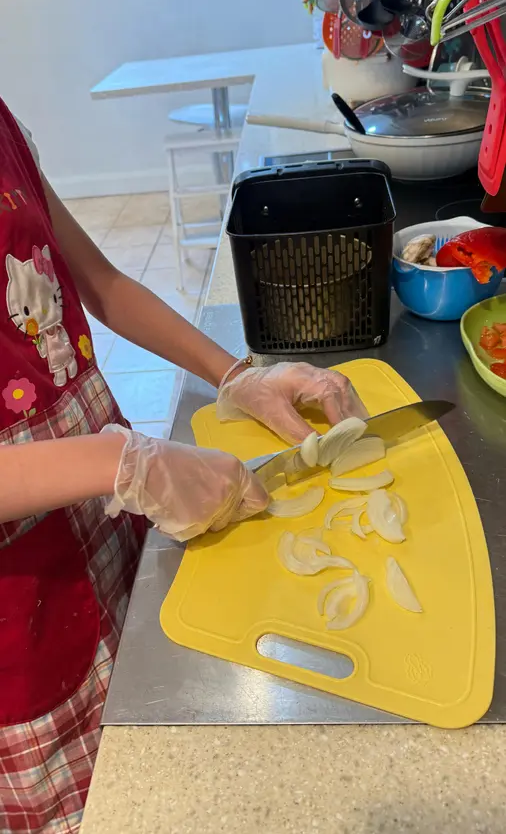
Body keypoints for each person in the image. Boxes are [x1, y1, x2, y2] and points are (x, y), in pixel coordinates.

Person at [0, 96, 365, 833]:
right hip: (21, 626)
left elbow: (100, 282)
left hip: (108, 532)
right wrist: (121, 462)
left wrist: (235, 374)